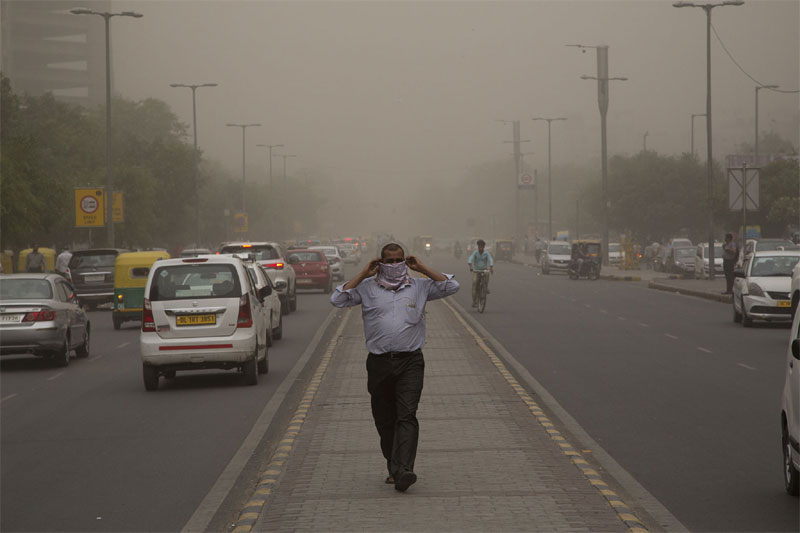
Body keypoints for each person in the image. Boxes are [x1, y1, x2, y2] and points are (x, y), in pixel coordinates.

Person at [330, 242, 459, 492]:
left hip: (410, 362)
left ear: (405, 261)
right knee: (385, 420)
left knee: (407, 415)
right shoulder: (366, 289)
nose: (393, 265)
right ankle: (394, 465)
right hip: (379, 363)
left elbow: (452, 285)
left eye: (398, 260)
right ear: (380, 263)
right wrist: (362, 274)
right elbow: (338, 299)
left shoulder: (420, 287)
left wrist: (420, 267)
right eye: (388, 261)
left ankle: (404, 470)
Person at [467, 239, 494, 307]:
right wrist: (470, 267)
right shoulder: (475, 253)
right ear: (478, 246)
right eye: (479, 246)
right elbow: (470, 259)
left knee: (487, 274)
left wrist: (491, 267)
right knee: (475, 283)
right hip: (476, 270)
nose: (480, 248)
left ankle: (485, 287)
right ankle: (474, 301)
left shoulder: (486, 253)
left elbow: (490, 259)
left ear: (484, 247)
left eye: (482, 246)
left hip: (484, 269)